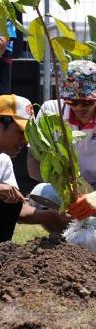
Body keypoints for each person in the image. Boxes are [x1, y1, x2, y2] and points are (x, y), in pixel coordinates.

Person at [22, 60, 96, 234]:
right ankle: (71, 240)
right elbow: (33, 165)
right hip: (66, 187)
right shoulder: (49, 111)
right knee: (40, 194)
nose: (79, 107)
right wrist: (66, 186)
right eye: (72, 101)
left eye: (86, 101)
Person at [0, 94, 32, 241]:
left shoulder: (4, 161)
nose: (25, 140)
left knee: (11, 201)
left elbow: (19, 208)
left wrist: (50, 216)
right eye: (21, 132)